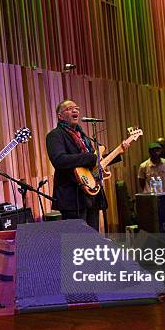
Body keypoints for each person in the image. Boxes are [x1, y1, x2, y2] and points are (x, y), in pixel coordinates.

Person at [46, 99, 129, 231]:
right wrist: (88, 157)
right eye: (69, 108)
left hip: (90, 194)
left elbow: (94, 163)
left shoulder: (83, 137)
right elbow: (59, 160)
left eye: (76, 108)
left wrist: (119, 152)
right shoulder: (55, 135)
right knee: (78, 241)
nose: (75, 110)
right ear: (60, 116)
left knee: (92, 239)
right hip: (72, 197)